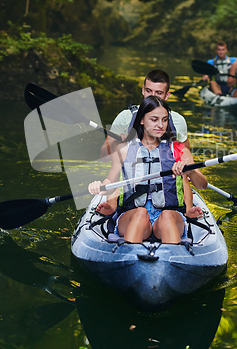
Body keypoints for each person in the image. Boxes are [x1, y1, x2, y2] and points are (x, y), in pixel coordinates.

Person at [88, 96, 208, 244]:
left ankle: (172, 258)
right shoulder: (124, 148)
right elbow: (111, 180)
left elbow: (202, 185)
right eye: (154, 119)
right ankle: (129, 256)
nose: (160, 125)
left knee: (167, 216)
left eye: (164, 120)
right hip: (132, 214)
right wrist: (99, 187)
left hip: (169, 214)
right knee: (141, 213)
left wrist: (190, 171)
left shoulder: (178, 150)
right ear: (142, 120)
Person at [100, 69, 190, 159]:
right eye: (148, 91)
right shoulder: (125, 117)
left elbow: (187, 162)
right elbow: (104, 157)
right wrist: (117, 143)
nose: (152, 96)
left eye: (159, 93)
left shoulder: (178, 121)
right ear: (143, 90)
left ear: (167, 95)